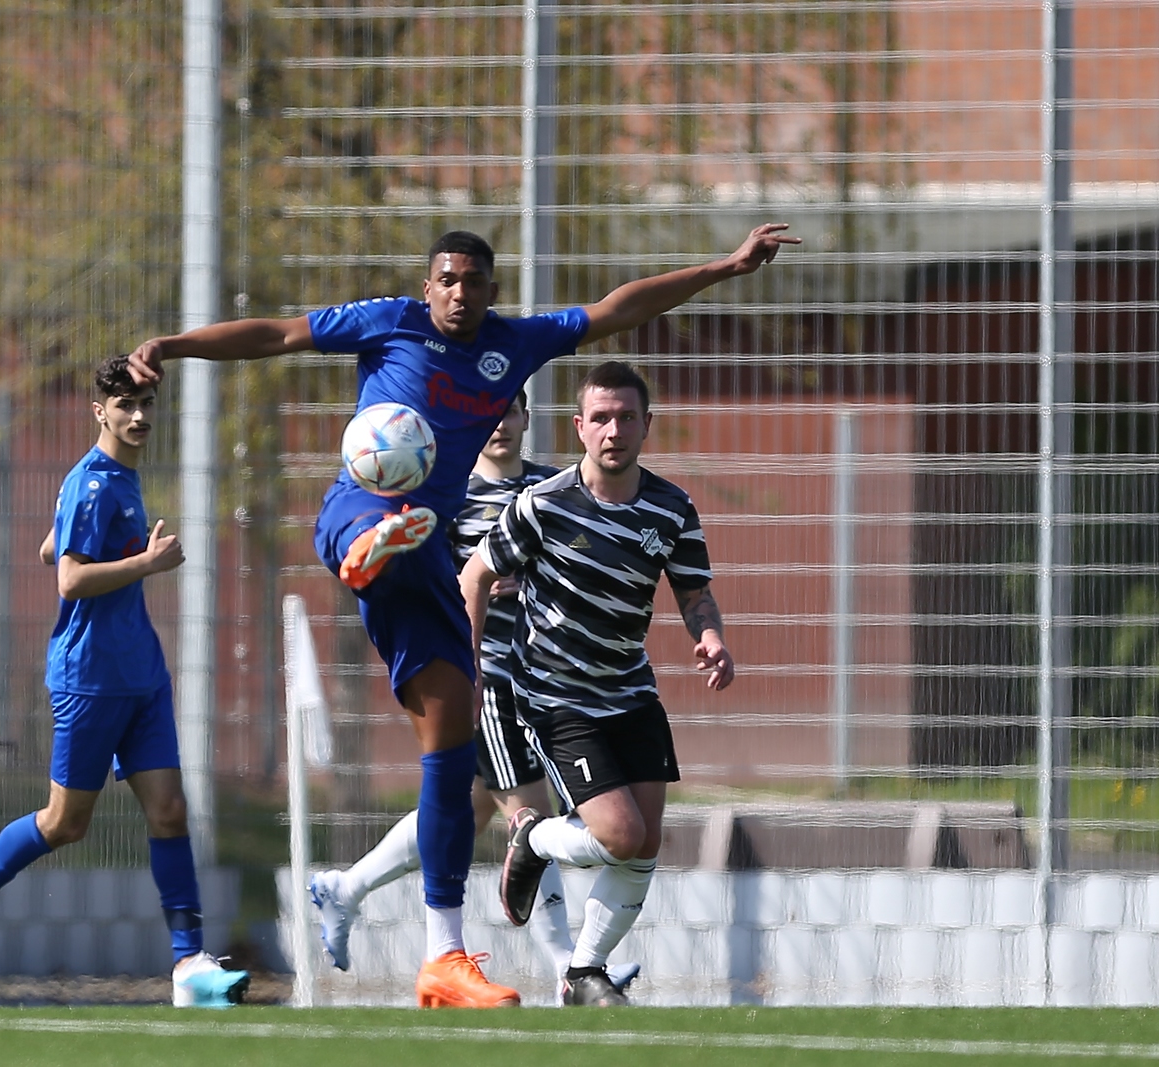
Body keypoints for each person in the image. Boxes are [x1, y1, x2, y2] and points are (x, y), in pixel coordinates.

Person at [129, 224, 794, 1008]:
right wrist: (172, 345)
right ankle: (364, 548)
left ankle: (443, 956)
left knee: (450, 735)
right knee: (383, 530)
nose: (458, 293)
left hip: (433, 559)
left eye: (473, 282)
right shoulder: (387, 321)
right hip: (365, 508)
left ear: (490, 290)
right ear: (427, 284)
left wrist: (724, 266)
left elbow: (620, 309)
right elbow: (277, 332)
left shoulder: (512, 344)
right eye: (446, 279)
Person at [0, 356, 250, 1008]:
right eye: (125, 404)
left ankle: (189, 966)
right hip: (91, 678)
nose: (138, 416)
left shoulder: (113, 481)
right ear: (98, 409)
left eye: (148, 404)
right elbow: (68, 577)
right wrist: (148, 562)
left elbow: (57, 550)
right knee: (66, 822)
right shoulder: (93, 483)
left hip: (141, 675)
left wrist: (72, 538)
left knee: (169, 810)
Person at [308, 389, 602, 1004]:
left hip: (538, 675)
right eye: (488, 415)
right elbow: (428, 571)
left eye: (511, 413)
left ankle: (348, 887)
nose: (499, 425)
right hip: (482, 676)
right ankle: (567, 969)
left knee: (459, 815)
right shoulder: (449, 493)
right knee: (530, 816)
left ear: (527, 418)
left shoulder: (548, 490)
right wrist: (476, 579)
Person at [463, 361, 734, 1007]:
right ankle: (532, 836)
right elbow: (473, 577)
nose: (614, 429)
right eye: (601, 418)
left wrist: (712, 635)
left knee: (644, 841)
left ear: (647, 424)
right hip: (556, 692)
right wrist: (470, 670)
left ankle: (584, 972)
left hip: (630, 688)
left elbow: (694, 591)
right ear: (580, 426)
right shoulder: (542, 503)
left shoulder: (671, 507)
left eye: (627, 416)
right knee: (616, 833)